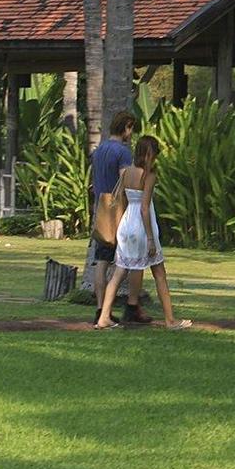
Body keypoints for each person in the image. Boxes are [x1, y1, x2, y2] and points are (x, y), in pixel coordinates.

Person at [95, 135, 191, 330]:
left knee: (118, 272)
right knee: (159, 273)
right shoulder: (149, 175)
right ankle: (170, 320)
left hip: (126, 225)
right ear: (149, 154)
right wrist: (150, 238)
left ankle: (103, 317)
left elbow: (120, 200)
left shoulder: (126, 172)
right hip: (140, 226)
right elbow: (145, 208)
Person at [86, 112, 145, 322]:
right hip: (118, 212)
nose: (131, 134)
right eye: (131, 129)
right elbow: (126, 180)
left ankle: (101, 309)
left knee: (101, 262)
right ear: (126, 127)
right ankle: (131, 306)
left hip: (101, 210)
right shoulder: (122, 152)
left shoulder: (99, 150)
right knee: (129, 261)